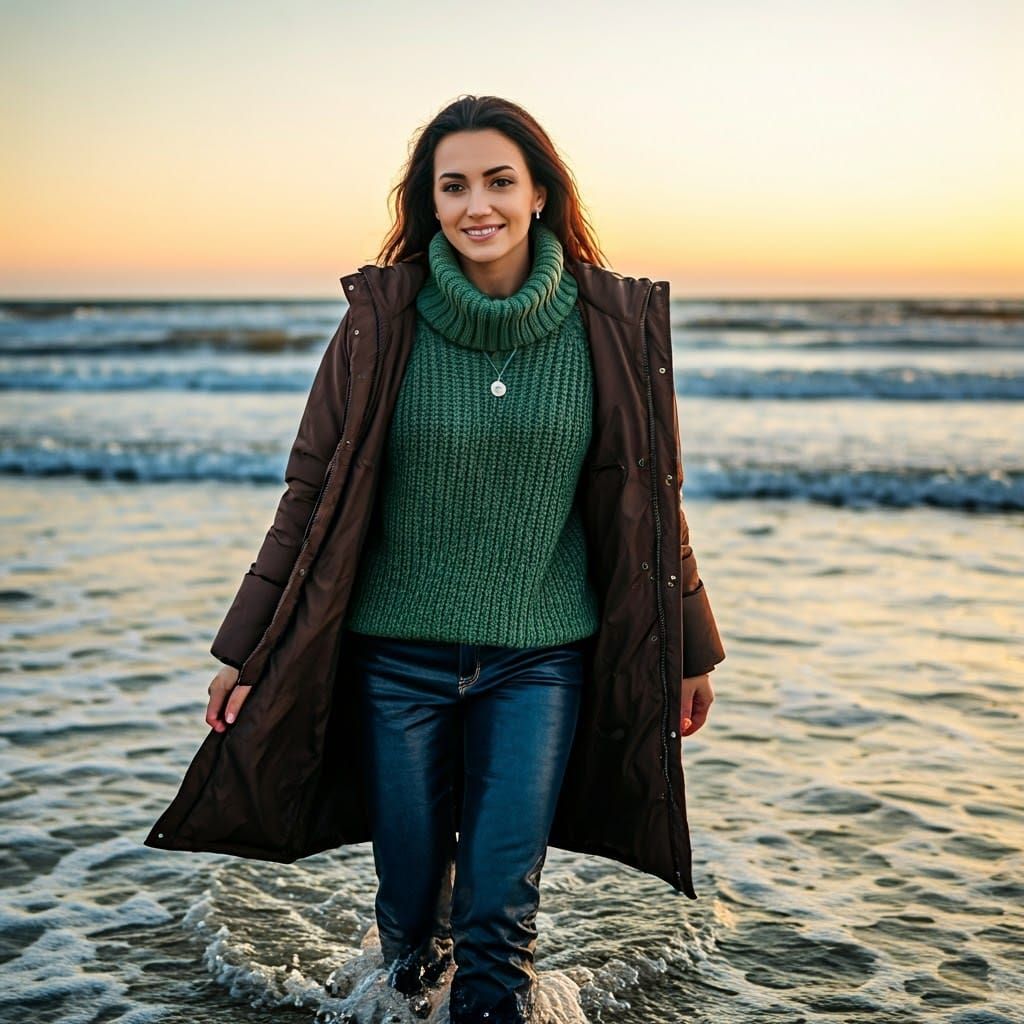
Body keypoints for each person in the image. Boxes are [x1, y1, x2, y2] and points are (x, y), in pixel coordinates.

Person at [146, 95, 726, 1024]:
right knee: (414, 926)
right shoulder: (383, 324)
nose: (477, 204)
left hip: (541, 665)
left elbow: (653, 500)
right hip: (395, 667)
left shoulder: (608, 329)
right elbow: (309, 495)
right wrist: (245, 652)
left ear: (540, 193)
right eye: (452, 185)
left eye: (500, 180)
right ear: (430, 204)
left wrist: (692, 648)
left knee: (498, 923)